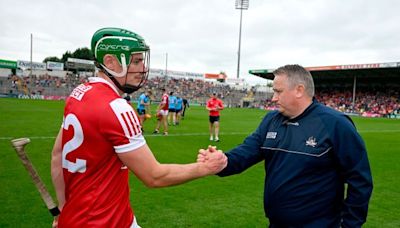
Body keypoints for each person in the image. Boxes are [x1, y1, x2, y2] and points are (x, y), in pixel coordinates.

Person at [50, 27, 227, 228]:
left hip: (78, 216)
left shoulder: (78, 93)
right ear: (110, 62)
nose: (143, 68)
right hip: (108, 221)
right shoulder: (117, 108)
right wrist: (205, 167)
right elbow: (154, 176)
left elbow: (57, 156)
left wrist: (63, 209)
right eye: (136, 61)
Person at [199, 64, 373, 227]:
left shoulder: (335, 124)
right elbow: (246, 151)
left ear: (299, 90)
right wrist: (222, 161)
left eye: (278, 91)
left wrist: (350, 224)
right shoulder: (271, 121)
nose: (273, 98)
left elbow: (360, 180)